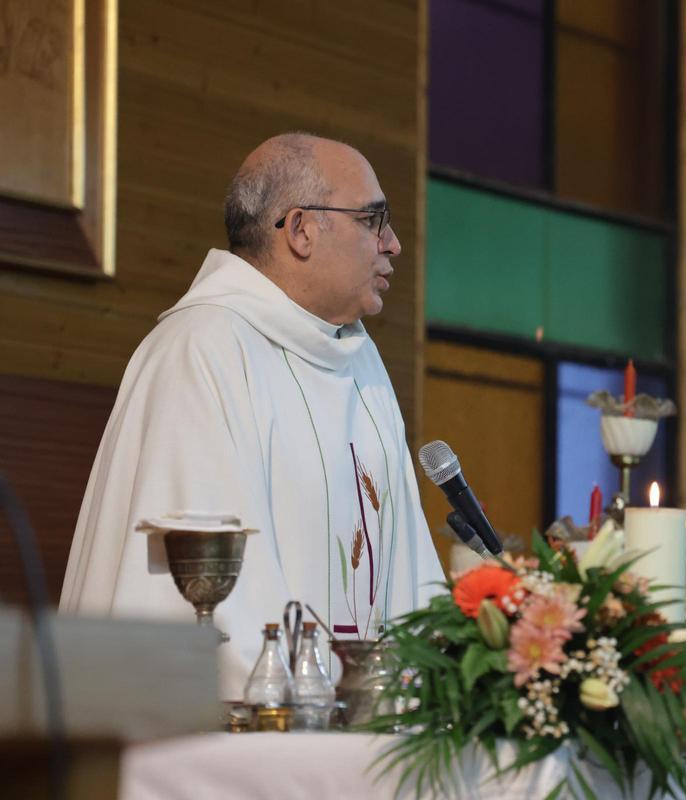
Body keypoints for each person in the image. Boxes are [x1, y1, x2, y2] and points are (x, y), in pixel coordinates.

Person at [60, 133, 444, 698]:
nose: (393, 244)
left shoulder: (362, 362)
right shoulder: (202, 348)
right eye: (373, 220)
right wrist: (293, 700)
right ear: (302, 230)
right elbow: (194, 596)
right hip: (256, 734)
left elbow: (407, 567)